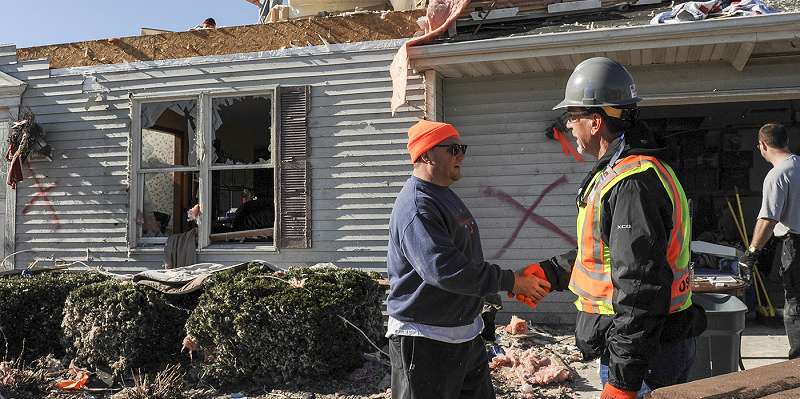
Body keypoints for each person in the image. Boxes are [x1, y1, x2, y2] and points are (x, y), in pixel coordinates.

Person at [538, 57, 707, 399]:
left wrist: (623, 382)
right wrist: (547, 273)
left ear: (596, 122)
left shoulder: (632, 183)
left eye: (573, 116)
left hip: (645, 359)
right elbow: (605, 251)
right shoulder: (634, 171)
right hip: (654, 347)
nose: (569, 126)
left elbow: (641, 283)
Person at [386, 120, 551, 399]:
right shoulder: (417, 206)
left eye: (462, 148)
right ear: (426, 154)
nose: (461, 155)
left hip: (464, 336)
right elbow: (443, 269)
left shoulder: (444, 196)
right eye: (453, 149)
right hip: (425, 341)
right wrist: (509, 280)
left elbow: (464, 259)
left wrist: (512, 281)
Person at [739, 123, 800, 360]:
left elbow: (768, 219)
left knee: (795, 305)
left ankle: (797, 367)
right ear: (786, 141)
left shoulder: (778, 174)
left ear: (762, 145)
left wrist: (752, 251)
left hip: (795, 244)